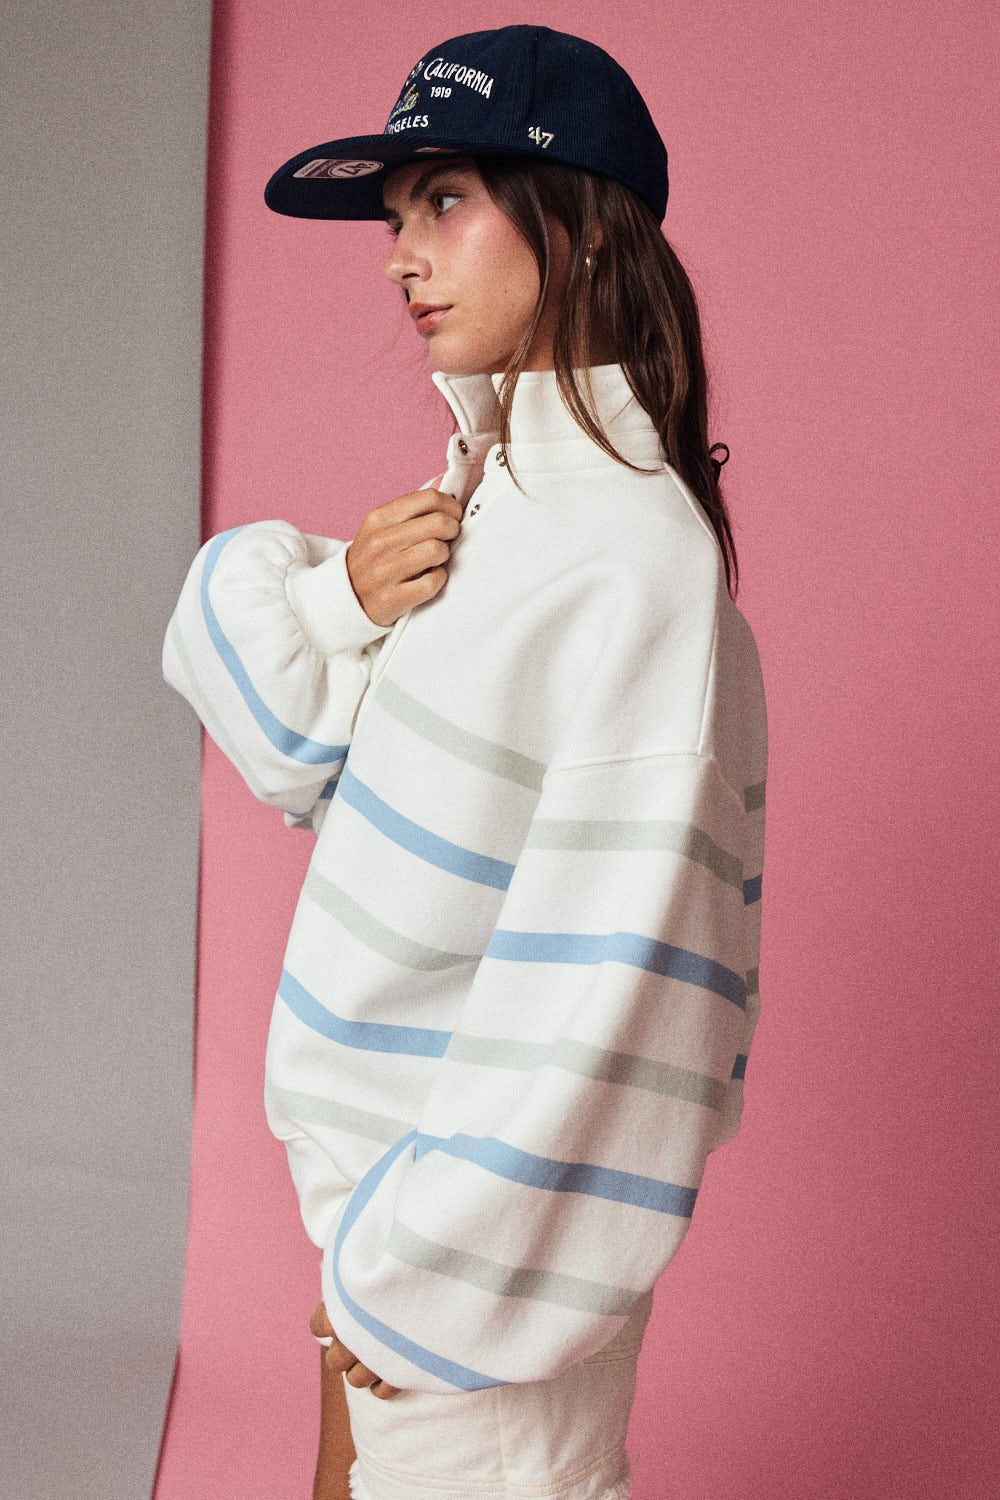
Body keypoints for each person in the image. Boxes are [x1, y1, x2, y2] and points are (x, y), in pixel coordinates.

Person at [164, 23, 768, 1500]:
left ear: (578, 223)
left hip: (468, 1275)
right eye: (396, 216)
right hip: (380, 1222)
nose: (399, 258)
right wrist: (341, 600)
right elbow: (288, 740)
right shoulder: (490, 509)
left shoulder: (631, 568)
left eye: (443, 201)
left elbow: (616, 993)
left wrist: (424, 1287)